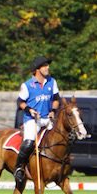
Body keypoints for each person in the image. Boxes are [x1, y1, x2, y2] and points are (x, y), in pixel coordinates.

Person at [14, 56, 60, 185]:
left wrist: (53, 111)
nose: (48, 67)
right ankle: (19, 167)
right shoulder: (27, 85)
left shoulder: (52, 82)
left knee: (60, 138)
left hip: (48, 119)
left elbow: (56, 99)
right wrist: (29, 110)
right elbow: (20, 102)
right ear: (37, 69)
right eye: (45, 66)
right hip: (32, 120)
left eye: (47, 65)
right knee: (29, 142)